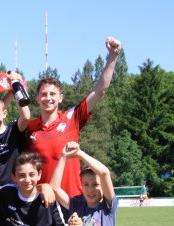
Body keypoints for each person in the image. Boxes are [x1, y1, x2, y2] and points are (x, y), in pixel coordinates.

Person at [26, 37, 122, 197]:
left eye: (52, 94)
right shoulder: (29, 128)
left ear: (60, 98)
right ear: (37, 98)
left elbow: (100, 90)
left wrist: (113, 56)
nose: (47, 98)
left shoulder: (72, 117)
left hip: (72, 200)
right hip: (43, 202)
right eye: (43, 94)